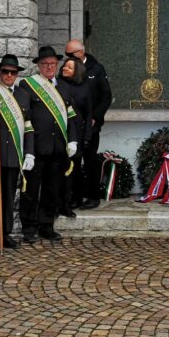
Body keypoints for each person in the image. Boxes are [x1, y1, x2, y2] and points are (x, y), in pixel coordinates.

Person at [16, 45, 77, 243]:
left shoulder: (65, 88)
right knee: (31, 191)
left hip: (58, 148)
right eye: (45, 64)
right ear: (39, 66)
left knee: (52, 190)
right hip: (37, 149)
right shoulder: (28, 85)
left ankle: (46, 226)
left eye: (52, 64)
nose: (49, 67)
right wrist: (29, 150)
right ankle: (29, 228)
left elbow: (71, 117)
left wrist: (73, 140)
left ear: (57, 64)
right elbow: (24, 118)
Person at [0, 54, 34, 253]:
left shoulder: (23, 95)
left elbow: (28, 126)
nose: (9, 75)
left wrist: (29, 153)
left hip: (13, 155)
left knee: (9, 199)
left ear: (17, 74)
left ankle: (5, 232)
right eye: (5, 72)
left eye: (13, 72)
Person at [64, 38, 113, 209]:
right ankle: (75, 197)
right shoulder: (68, 69)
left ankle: (93, 197)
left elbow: (106, 95)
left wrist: (95, 117)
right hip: (72, 125)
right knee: (74, 162)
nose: (68, 57)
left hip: (91, 125)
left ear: (81, 52)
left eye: (70, 54)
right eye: (66, 54)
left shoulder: (96, 69)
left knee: (90, 160)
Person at [60, 56, 94, 217]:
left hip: (78, 135)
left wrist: (87, 136)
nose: (64, 69)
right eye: (64, 66)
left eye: (69, 67)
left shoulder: (85, 88)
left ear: (77, 72)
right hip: (60, 134)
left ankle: (75, 198)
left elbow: (88, 115)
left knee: (74, 170)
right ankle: (60, 202)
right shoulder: (57, 85)